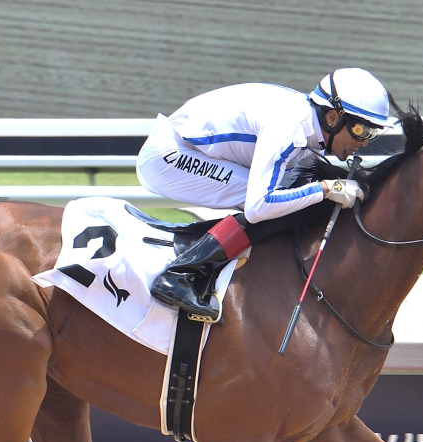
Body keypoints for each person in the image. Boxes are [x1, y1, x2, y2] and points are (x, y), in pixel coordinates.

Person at [136, 68, 391, 322]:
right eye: (361, 130)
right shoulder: (290, 128)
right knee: (277, 204)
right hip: (168, 158)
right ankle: (180, 274)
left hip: (190, 148)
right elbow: (259, 207)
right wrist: (327, 189)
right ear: (333, 118)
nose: (365, 142)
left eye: (372, 133)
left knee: (295, 198)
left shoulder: (308, 128)